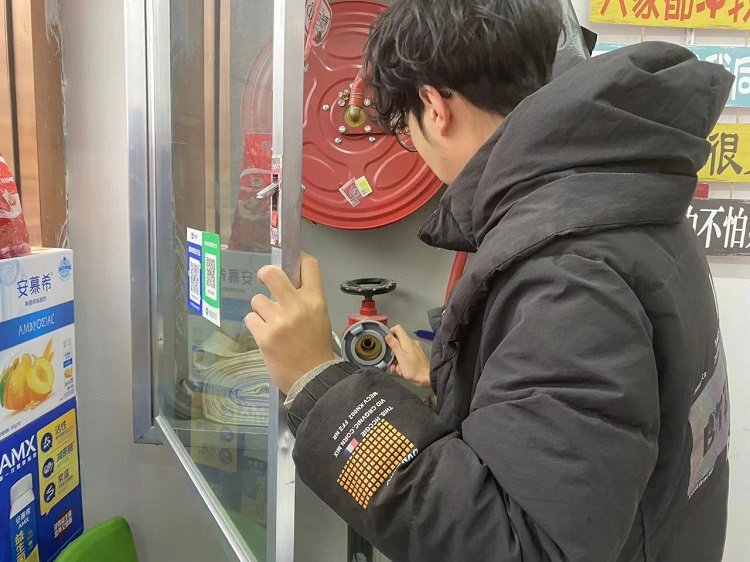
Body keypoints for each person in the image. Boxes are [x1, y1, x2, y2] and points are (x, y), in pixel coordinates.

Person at [244, 0, 733, 560]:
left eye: (404, 129)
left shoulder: (568, 275)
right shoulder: (620, 196)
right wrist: (465, 386)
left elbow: (522, 545)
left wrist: (318, 381)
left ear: (434, 107)